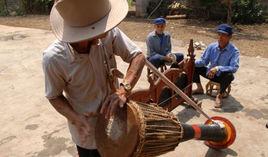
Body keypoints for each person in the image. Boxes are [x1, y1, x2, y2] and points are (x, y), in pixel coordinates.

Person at [42, 0, 145, 156]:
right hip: (87, 133)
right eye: (103, 24)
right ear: (86, 31)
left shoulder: (108, 33)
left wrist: (124, 90)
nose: (109, 26)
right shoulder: (54, 59)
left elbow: (138, 56)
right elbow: (54, 96)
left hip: (119, 123)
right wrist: (75, 118)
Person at [192, 24, 240, 108]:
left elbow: (234, 67)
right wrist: (191, 62)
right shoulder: (211, 46)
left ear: (230, 37)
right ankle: (199, 88)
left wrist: (218, 68)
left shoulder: (234, 51)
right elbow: (204, 62)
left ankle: (219, 95)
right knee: (194, 67)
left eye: (224, 35)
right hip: (209, 73)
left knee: (230, 76)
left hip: (221, 76)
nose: (220, 37)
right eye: (219, 34)